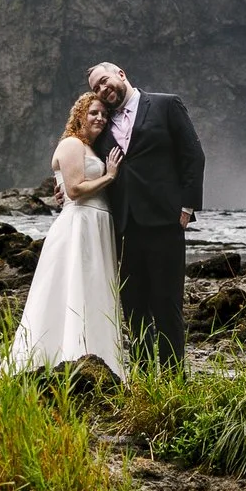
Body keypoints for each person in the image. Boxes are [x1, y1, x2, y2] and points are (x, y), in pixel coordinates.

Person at [87, 61, 204, 370]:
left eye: (104, 80)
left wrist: (187, 208)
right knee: (134, 304)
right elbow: (78, 155)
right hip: (125, 226)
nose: (102, 89)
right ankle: (141, 376)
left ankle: (173, 376)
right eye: (96, 87)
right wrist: (65, 185)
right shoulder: (100, 126)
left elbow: (193, 155)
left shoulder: (166, 104)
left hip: (165, 220)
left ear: (120, 73)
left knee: (167, 304)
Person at [8, 92, 129, 378]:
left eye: (103, 114)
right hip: (81, 222)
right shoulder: (72, 144)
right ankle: (70, 355)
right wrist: (110, 176)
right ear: (79, 115)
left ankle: (96, 357)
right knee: (75, 285)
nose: (100, 118)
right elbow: (74, 190)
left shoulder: (89, 147)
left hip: (96, 221)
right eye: (93, 113)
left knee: (94, 287)